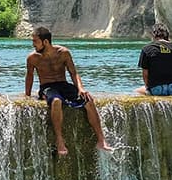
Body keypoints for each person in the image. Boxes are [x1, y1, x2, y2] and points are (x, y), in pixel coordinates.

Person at [25, 25, 112, 156]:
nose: (33, 45)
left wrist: (81, 88)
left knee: (88, 99)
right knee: (56, 101)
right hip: (47, 87)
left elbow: (73, 73)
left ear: (46, 42)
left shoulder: (63, 53)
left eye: (35, 41)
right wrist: (27, 95)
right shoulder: (32, 58)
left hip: (63, 84)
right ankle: (59, 140)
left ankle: (101, 139)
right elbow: (29, 76)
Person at [136, 23, 172, 96]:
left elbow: (145, 74)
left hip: (157, 88)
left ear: (153, 35)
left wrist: (147, 88)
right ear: (167, 35)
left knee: (137, 92)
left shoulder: (146, 49)